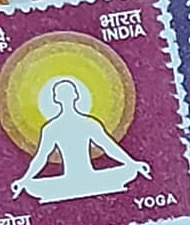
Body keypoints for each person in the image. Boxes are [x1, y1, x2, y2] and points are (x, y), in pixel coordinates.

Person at [9, 72, 152, 205]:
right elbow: (41, 157)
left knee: (127, 171)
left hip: (91, 178)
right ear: (57, 99)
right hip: (70, 182)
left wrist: (132, 163)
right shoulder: (52, 129)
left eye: (68, 94)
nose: (66, 98)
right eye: (63, 95)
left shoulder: (88, 124)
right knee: (35, 186)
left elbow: (109, 147)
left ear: (75, 96)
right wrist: (25, 179)